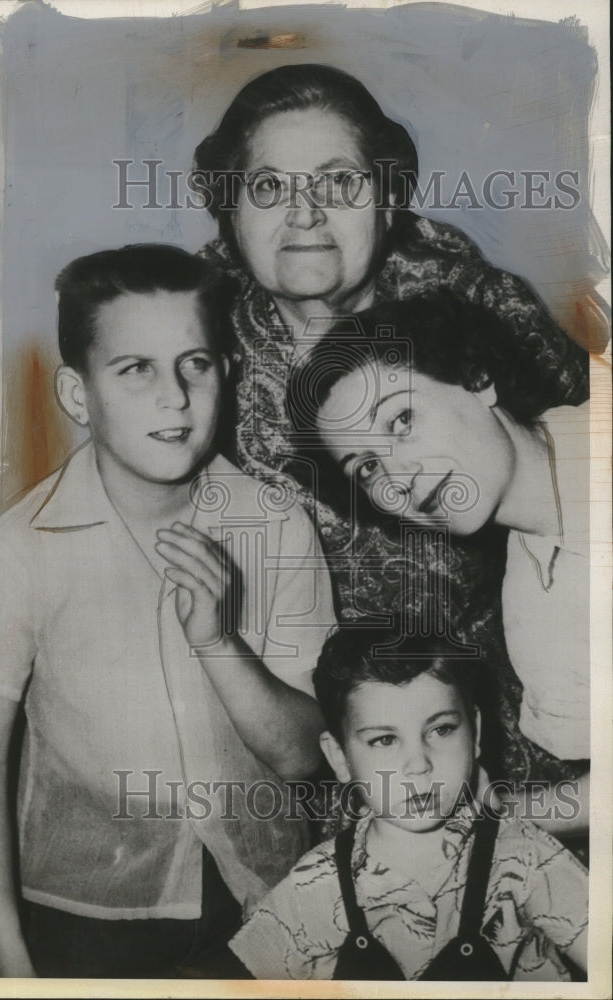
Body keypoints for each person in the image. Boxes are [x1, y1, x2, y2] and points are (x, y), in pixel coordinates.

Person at [0, 244, 335, 978]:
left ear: (227, 372)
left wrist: (218, 641)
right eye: (136, 369)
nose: (175, 397)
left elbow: (300, 755)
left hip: (271, 904)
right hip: (89, 918)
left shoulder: (277, 524)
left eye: (196, 363)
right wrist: (7, 962)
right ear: (76, 394)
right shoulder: (18, 547)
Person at [195, 61, 590, 787]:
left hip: (522, 708)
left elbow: (574, 453)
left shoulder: (470, 297)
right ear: (229, 213)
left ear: (384, 198)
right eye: (268, 186)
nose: (304, 213)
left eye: (338, 182)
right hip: (331, 730)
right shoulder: (194, 340)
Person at [286, 291, 591, 835]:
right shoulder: (530, 611)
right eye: (367, 468)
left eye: (401, 420)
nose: (397, 475)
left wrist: (506, 815)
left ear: (477, 379)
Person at [229, 628, 589, 981]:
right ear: (338, 757)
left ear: (475, 734)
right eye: (385, 739)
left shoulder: (525, 856)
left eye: (442, 730)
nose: (418, 764)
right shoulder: (315, 884)